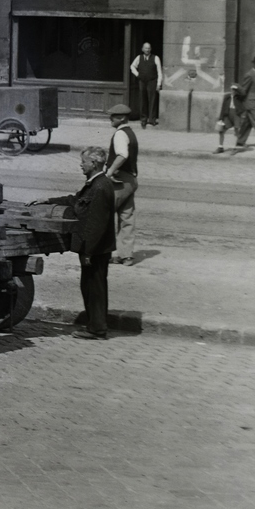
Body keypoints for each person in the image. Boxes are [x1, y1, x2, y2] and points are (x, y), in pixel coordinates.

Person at [54, 146, 116, 340]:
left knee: (94, 288)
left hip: (94, 249)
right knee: (90, 286)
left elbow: (96, 225)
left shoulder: (99, 186)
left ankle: (97, 329)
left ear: (94, 163)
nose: (81, 165)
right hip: (94, 248)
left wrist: (88, 252)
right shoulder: (95, 184)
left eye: (84, 162)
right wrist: (47, 200)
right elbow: (75, 201)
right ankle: (95, 326)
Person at [105, 104, 138, 265]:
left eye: (113, 116)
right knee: (127, 217)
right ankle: (127, 255)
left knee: (104, 213)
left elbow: (122, 154)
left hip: (120, 181)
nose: (110, 119)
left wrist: (110, 171)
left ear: (122, 118)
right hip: (131, 180)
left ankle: (104, 252)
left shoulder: (119, 134)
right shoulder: (131, 133)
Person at [129, 42, 164, 127]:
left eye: (148, 48)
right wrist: (137, 74)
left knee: (152, 100)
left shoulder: (156, 58)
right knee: (142, 100)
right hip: (142, 81)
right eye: (145, 48)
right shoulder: (139, 57)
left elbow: (159, 71)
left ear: (150, 49)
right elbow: (132, 66)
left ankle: (152, 119)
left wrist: (159, 83)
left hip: (152, 81)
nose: (147, 50)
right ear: (142, 49)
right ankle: (143, 119)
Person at [215, 84, 242, 154]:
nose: (233, 91)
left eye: (235, 90)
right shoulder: (227, 97)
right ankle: (220, 147)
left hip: (236, 114)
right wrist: (221, 118)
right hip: (228, 114)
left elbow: (243, 93)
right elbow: (223, 107)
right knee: (221, 130)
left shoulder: (239, 97)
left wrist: (238, 88)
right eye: (232, 89)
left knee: (236, 131)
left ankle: (234, 148)